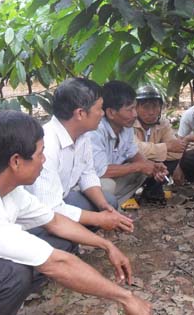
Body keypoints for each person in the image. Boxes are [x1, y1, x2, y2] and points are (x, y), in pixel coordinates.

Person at [0, 110, 151, 315]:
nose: (44, 160)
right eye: (40, 153)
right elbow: (56, 263)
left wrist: (106, 245)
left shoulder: (2, 186)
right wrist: (126, 297)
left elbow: (55, 221)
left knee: (56, 245)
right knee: (11, 273)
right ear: (16, 161)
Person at [26, 78, 134, 233]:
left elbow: (87, 174)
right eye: (100, 109)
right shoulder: (47, 145)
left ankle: (74, 237)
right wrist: (100, 219)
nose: (102, 114)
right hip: (37, 213)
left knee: (108, 201)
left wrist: (105, 207)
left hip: (61, 199)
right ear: (80, 113)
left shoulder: (82, 136)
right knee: (60, 236)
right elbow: (50, 209)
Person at [90, 81, 168, 207]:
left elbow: (134, 153)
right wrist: (140, 166)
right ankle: (100, 210)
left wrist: (152, 167)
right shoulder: (95, 131)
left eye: (134, 108)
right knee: (108, 185)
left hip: (108, 179)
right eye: (130, 109)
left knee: (142, 171)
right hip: (90, 183)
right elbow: (101, 171)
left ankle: (113, 206)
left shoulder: (126, 127)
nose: (135, 114)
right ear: (111, 113)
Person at [133, 85, 186, 201]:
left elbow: (176, 150)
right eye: (145, 107)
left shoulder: (163, 123)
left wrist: (154, 157)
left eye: (155, 106)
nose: (151, 112)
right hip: (134, 167)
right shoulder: (129, 123)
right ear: (136, 108)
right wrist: (165, 148)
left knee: (174, 158)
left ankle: (152, 190)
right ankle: (129, 194)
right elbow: (133, 149)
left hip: (155, 165)